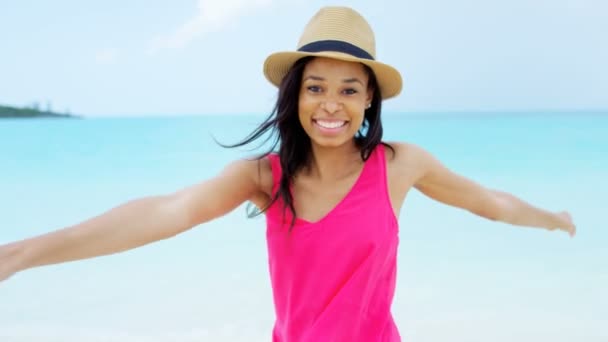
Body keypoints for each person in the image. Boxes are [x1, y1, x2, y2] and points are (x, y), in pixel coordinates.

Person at [0, 6, 575, 342]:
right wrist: (23, 253)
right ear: (294, 95)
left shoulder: (399, 165)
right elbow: (162, 213)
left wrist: (550, 218)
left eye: (349, 89)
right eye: (315, 87)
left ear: (370, 99)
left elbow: (487, 202)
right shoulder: (263, 177)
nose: (331, 104)